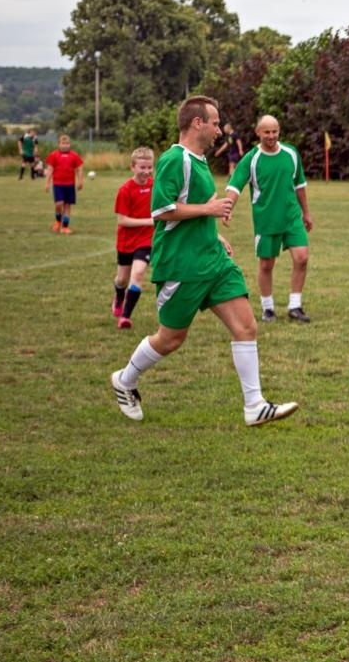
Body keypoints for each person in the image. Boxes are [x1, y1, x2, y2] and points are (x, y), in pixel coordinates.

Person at [109, 95, 298, 427]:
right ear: (197, 123)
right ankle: (125, 380)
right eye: (214, 123)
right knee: (171, 338)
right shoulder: (174, 159)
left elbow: (192, 206)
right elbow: (161, 211)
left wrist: (213, 233)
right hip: (182, 265)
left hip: (211, 259)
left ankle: (254, 405)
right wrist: (209, 210)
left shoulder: (197, 161)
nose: (219, 130)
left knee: (246, 325)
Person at [224, 114, 314, 322]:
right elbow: (235, 186)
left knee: (302, 257)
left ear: (279, 131)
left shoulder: (291, 153)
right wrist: (228, 208)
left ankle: (295, 306)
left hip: (292, 217)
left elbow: (300, 185)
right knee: (266, 265)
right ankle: (268, 308)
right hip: (266, 220)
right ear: (258, 133)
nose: (271, 136)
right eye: (267, 132)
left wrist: (306, 213)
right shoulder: (251, 159)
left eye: (274, 131)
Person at [111, 147, 156, 330]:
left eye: (149, 167)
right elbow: (122, 220)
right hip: (126, 241)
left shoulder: (156, 185)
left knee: (137, 274)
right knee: (122, 279)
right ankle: (119, 296)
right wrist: (150, 221)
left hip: (147, 240)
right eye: (142, 167)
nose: (146, 172)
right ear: (132, 167)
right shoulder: (125, 190)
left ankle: (125, 317)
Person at [44, 133, 86, 234]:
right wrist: (47, 183)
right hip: (58, 185)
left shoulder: (74, 155)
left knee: (67, 206)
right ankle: (58, 220)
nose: (65, 145)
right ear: (59, 144)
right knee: (59, 204)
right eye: (63, 143)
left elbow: (79, 169)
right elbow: (50, 169)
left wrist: (80, 181)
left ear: (70, 144)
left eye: (67, 143)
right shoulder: (54, 155)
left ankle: (65, 227)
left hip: (70, 185)